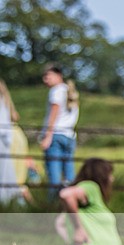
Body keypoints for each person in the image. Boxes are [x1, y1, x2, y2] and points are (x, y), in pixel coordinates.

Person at [58, 158, 121, 245]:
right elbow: (66, 194)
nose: (112, 179)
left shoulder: (87, 202)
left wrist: (71, 241)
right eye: (109, 174)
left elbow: (59, 223)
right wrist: (79, 229)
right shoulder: (91, 187)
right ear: (102, 176)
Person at [40, 64, 79, 200]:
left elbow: (54, 113)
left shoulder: (56, 91)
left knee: (54, 174)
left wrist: (47, 136)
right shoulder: (71, 91)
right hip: (69, 135)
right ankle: (72, 201)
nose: (46, 80)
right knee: (69, 174)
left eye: (48, 76)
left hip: (55, 135)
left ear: (59, 76)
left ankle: (53, 203)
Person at [0, 78, 27, 205]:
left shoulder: (2, 102)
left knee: (7, 172)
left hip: (6, 139)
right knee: (10, 172)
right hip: (12, 137)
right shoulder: (6, 101)